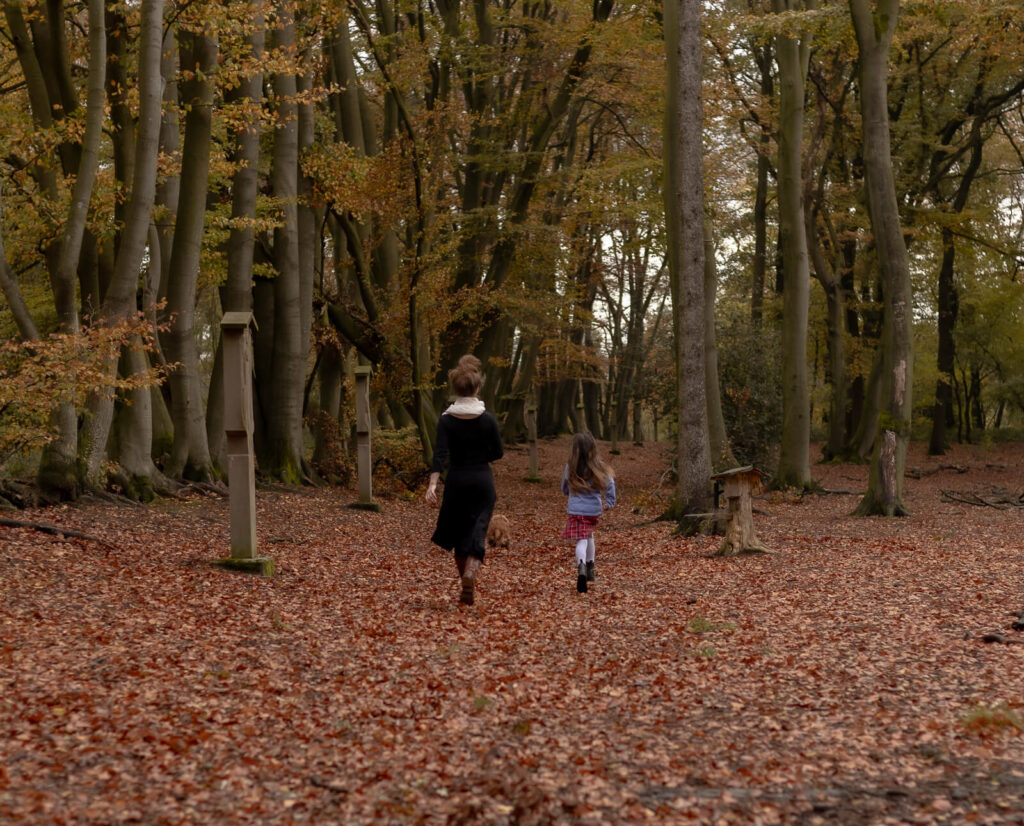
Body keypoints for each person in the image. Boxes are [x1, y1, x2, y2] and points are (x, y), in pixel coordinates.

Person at [426, 355, 504, 605]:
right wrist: (483, 455)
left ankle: (465, 583)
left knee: (460, 533)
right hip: (482, 479)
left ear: (455, 390)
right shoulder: (488, 419)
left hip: (457, 480)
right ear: (477, 388)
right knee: (478, 529)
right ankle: (471, 572)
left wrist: (432, 485)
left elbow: (439, 454)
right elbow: (498, 453)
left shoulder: (446, 420)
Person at [561, 431, 616, 593]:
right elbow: (610, 485)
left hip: (576, 509)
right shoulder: (600, 467)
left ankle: (582, 567)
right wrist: (609, 503)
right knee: (589, 535)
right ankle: (591, 569)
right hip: (593, 510)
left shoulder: (570, 467)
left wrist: (570, 494)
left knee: (582, 539)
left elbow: (564, 487)